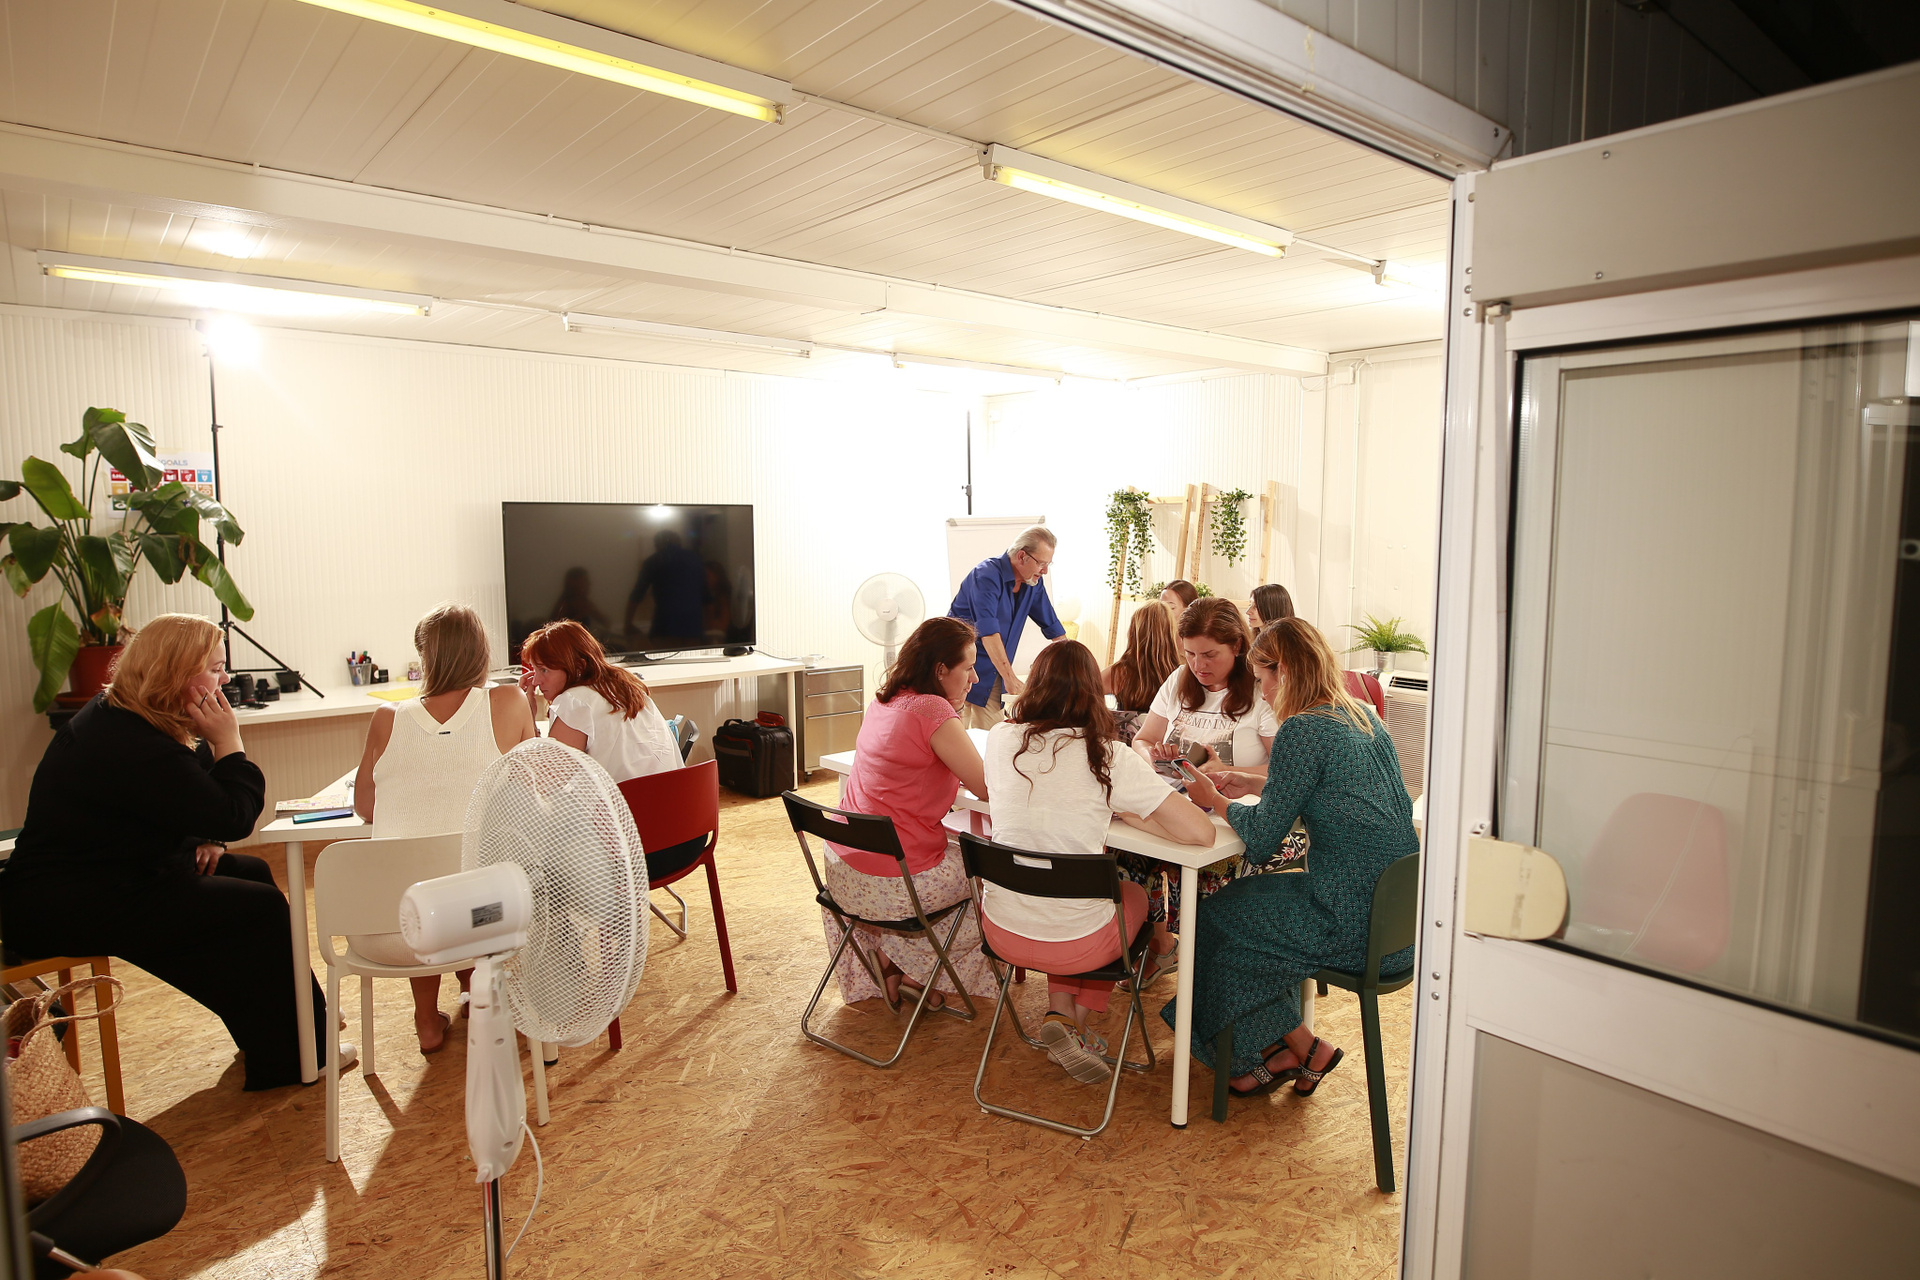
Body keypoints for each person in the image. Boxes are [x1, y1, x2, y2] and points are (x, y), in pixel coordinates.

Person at [0, 614, 343, 1090]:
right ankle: (295, 1055)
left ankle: (291, 1031)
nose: (225, 678)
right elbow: (233, 815)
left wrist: (207, 836)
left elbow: (187, 787)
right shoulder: (130, 743)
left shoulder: (128, 712)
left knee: (250, 875)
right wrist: (230, 741)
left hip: (112, 874)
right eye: (216, 669)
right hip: (69, 902)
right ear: (176, 673)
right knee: (260, 908)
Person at [1174, 618, 1418, 1097]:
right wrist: (1256, 782)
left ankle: (1275, 1049)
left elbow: (1263, 839)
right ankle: (1298, 1047)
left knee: (1213, 918)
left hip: (1346, 920)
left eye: (1262, 679)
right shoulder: (1361, 715)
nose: (1263, 693)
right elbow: (1334, 789)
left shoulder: (1303, 729)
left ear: (1283, 671)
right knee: (1243, 914)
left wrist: (1214, 800)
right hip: (1395, 921)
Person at [979, 641, 1212, 1081]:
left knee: (1067, 894)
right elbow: (1200, 833)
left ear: (1034, 685)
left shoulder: (1000, 738)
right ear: (1094, 694)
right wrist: (1127, 811)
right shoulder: (1105, 755)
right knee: (1130, 895)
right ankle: (1076, 1022)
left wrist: (1113, 807)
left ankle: (1063, 1016)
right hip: (1076, 942)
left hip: (1001, 931)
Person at [352, 604, 537, 1053]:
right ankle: (477, 992)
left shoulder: (386, 718)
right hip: (487, 925)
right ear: (481, 651)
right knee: (474, 870)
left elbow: (365, 808)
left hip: (389, 932)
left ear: (426, 657)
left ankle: (427, 1020)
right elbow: (530, 795)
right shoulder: (509, 701)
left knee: (420, 880)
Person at [821, 617, 998, 1011]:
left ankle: (894, 962)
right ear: (940, 670)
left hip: (842, 872)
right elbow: (987, 787)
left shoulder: (884, 701)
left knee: (951, 850)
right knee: (987, 873)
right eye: (968, 668)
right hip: (891, 884)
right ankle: (918, 972)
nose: (974, 678)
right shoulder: (933, 710)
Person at [1119, 597, 1279, 956]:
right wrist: (1152, 757)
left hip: (1231, 819)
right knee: (1125, 856)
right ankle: (1160, 946)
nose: (1198, 665)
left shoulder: (1261, 689)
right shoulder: (1179, 679)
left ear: (1237, 646)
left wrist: (1225, 771)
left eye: (1209, 655)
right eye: (1190, 654)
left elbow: (1282, 769)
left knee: (1205, 870)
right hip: (1178, 805)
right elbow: (1142, 740)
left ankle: (1205, 961)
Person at [517, 618, 706, 879]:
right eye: (534, 670)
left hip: (635, 854)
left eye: (544, 670)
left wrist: (526, 716)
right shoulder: (628, 686)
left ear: (577, 666)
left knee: (532, 840)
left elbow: (542, 785)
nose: (536, 681)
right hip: (686, 836)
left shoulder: (575, 702)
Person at [947, 525, 1066, 729]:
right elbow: (988, 632)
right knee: (960, 733)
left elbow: (1054, 629)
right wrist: (1010, 678)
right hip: (960, 668)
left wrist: (1075, 668)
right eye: (1041, 563)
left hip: (994, 672)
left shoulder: (1032, 583)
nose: (1045, 571)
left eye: (1048, 564)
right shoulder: (986, 576)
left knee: (993, 733)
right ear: (1022, 556)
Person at [1103, 603, 1179, 744]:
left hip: (1126, 748)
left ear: (1133, 632)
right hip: (1163, 748)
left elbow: (1085, 695)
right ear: (1170, 632)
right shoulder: (1179, 674)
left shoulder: (1119, 672)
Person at [625, 531, 706, 645]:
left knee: (665, 655)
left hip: (665, 626)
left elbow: (637, 595)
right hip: (693, 628)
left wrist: (627, 624)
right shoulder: (696, 560)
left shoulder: (654, 561)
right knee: (693, 655)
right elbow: (706, 597)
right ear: (679, 543)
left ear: (657, 545)